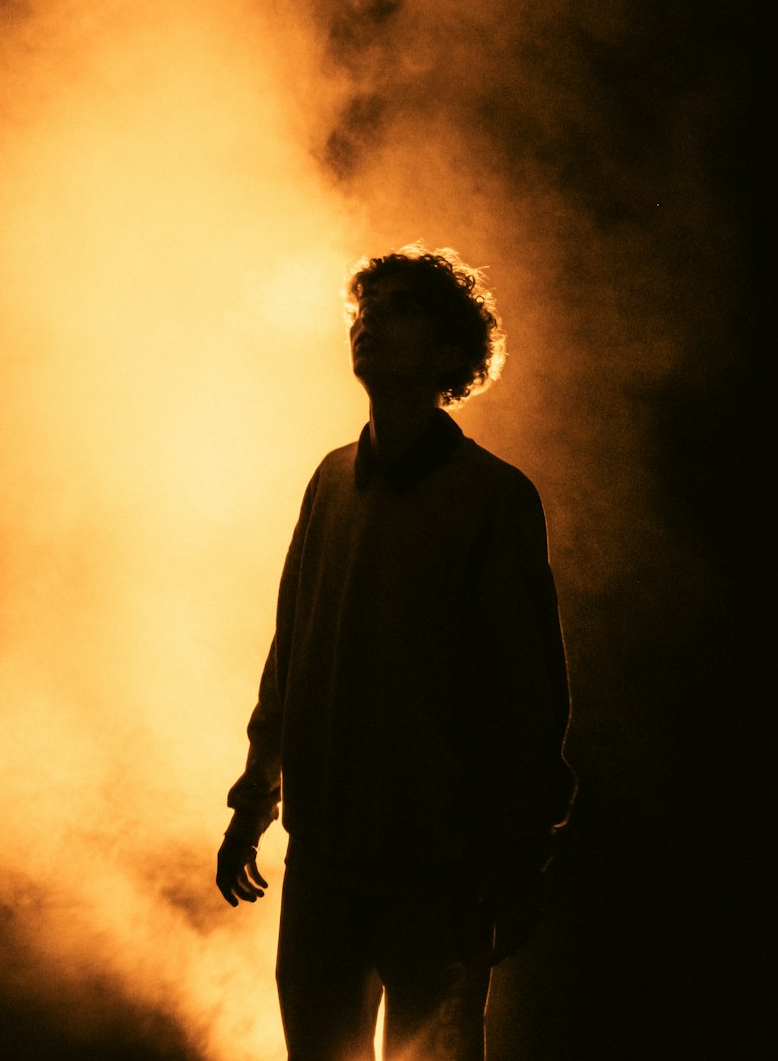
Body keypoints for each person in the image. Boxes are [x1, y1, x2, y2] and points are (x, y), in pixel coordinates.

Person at [216, 246, 576, 1061]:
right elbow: (291, 652)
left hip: (438, 876)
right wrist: (254, 797)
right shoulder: (331, 481)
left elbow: (528, 692)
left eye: (401, 307)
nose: (371, 321)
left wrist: (520, 855)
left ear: (454, 354)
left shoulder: (493, 499)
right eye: (365, 307)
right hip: (325, 871)